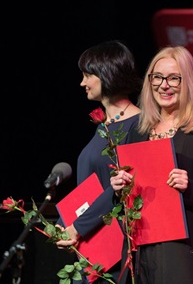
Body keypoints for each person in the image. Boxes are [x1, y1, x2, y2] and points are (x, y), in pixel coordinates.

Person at [110, 45, 193, 284]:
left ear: (187, 82)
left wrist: (190, 187)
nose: (163, 85)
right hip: (143, 252)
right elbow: (131, 199)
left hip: (184, 255)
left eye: (173, 78)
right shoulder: (137, 132)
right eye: (157, 77)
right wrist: (119, 188)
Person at [55, 40, 142, 283]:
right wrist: (67, 224)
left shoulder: (138, 126)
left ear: (107, 74)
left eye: (87, 75)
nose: (82, 82)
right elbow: (89, 189)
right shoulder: (104, 126)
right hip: (92, 242)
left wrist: (78, 227)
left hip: (117, 247)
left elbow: (121, 189)